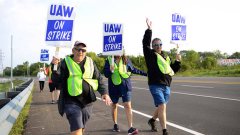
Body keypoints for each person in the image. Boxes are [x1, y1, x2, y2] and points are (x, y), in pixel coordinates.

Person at [58, 41, 112, 135]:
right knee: (77, 128)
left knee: (81, 127)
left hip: (87, 102)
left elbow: (98, 78)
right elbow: (56, 79)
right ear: (73, 50)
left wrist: (104, 93)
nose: (81, 52)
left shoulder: (90, 62)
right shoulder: (65, 62)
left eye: (83, 50)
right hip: (71, 101)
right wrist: (54, 66)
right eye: (78, 49)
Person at [143, 18, 181, 135]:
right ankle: (165, 130)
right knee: (162, 106)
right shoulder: (150, 55)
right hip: (155, 85)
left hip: (166, 85)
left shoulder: (166, 57)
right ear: (153, 46)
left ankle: (152, 120)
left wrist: (178, 62)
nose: (158, 46)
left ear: (162, 45)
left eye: (159, 44)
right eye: (155, 45)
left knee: (161, 106)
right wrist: (149, 30)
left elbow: (172, 70)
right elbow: (145, 43)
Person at [103, 54, 147, 135]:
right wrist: (110, 70)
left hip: (125, 85)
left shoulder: (125, 59)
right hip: (114, 86)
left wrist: (145, 74)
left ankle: (130, 127)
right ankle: (115, 124)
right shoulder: (108, 60)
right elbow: (106, 74)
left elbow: (133, 69)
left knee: (127, 105)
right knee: (114, 105)